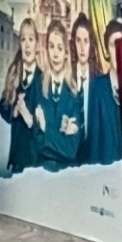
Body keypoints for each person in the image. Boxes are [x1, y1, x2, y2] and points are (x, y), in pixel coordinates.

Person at [29, 19, 86, 169]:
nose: (55, 54)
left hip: (67, 176)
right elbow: (35, 144)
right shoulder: (37, 86)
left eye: (60, 48)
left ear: (66, 53)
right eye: (51, 47)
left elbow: (71, 150)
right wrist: (60, 136)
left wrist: (45, 128)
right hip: (41, 172)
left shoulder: (75, 93)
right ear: (46, 49)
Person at [72, 11, 122, 165]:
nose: (119, 51)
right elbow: (94, 144)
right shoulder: (98, 87)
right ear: (106, 49)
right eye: (114, 45)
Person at [0, 15, 43, 175]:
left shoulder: (42, 80)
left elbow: (47, 125)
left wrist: (29, 118)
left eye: (31, 39)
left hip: (36, 161)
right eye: (23, 39)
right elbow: (2, 105)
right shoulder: (14, 75)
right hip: (17, 160)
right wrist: (14, 112)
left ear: (37, 44)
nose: (27, 45)